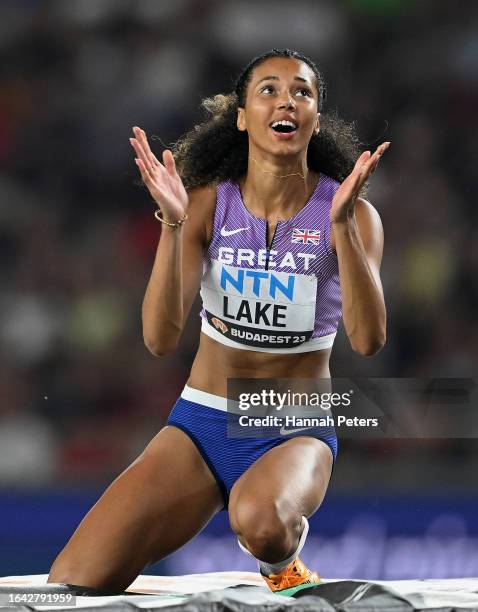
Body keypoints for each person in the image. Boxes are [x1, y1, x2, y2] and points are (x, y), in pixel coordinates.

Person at [48, 49, 388, 595]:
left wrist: (343, 227)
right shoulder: (206, 204)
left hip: (294, 423)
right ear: (241, 115)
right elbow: (159, 340)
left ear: (316, 119)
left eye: (302, 92)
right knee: (73, 581)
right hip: (201, 422)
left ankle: (284, 570)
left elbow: (368, 342)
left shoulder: (348, 212)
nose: (287, 101)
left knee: (261, 521)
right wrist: (173, 225)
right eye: (269, 90)